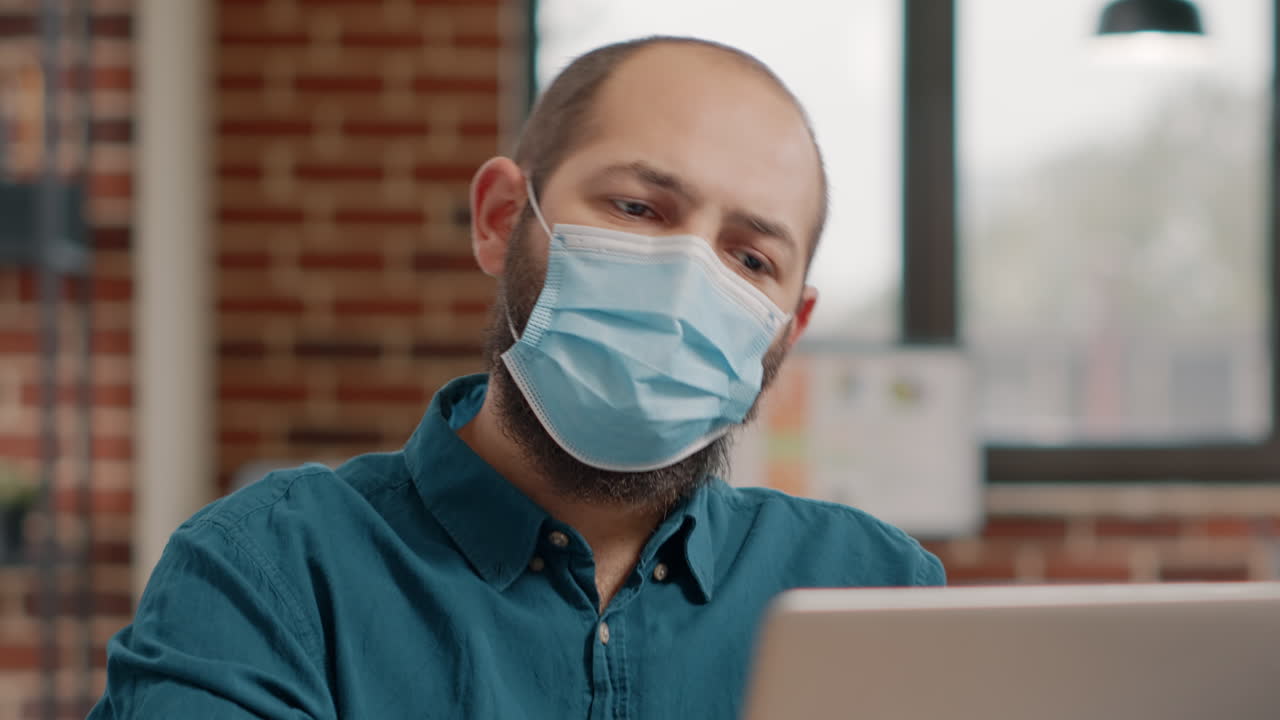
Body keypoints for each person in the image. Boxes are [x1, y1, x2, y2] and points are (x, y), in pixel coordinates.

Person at [89, 36, 944, 719]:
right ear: (503, 219)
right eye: (638, 209)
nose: (689, 280)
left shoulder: (875, 590)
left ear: (789, 331)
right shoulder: (270, 576)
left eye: (751, 257)